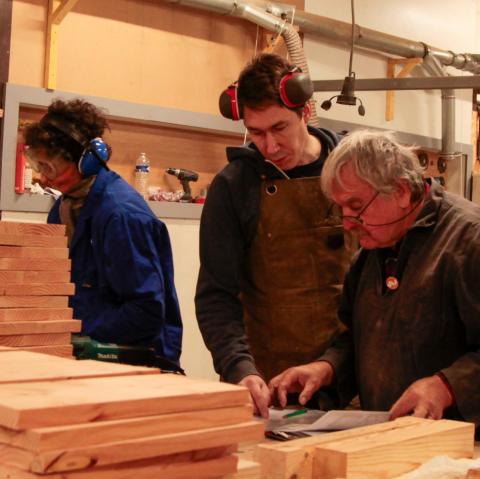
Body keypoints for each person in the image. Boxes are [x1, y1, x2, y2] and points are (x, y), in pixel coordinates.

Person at [270, 129, 480, 432]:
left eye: (357, 207)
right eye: (340, 208)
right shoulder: (370, 255)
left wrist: (446, 386)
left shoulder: (469, 240)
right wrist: (327, 368)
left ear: (402, 191)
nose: (347, 223)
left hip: (463, 449)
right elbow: (356, 341)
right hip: (390, 442)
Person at [195, 53, 354, 417]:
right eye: (256, 132)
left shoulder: (351, 171)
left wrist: (340, 364)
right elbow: (216, 296)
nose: (269, 146)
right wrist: (238, 368)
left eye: (279, 128)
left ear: (306, 112)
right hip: (269, 388)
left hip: (351, 381)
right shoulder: (234, 186)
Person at [24, 99, 183, 369]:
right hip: (85, 356)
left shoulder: (120, 216)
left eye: (50, 167)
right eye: (38, 165)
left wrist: (73, 329)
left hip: (137, 363)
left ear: (86, 161)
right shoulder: (64, 207)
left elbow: (145, 313)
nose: (43, 178)